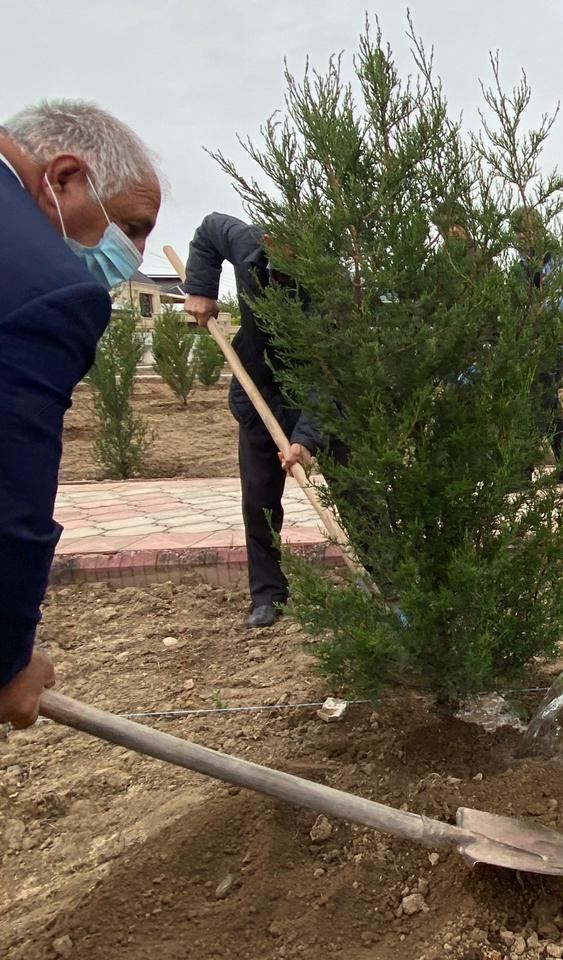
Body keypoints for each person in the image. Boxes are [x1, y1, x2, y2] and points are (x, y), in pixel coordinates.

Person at [0, 101, 161, 727]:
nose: (134, 252)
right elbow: (10, 504)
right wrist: (8, 660)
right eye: (132, 226)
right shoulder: (46, 288)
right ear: (65, 178)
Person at [183, 213, 329, 628]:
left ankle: (381, 582)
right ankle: (267, 595)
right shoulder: (247, 245)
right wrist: (200, 289)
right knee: (259, 501)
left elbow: (328, 378)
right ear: (269, 243)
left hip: (317, 395)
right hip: (258, 391)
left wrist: (306, 440)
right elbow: (208, 228)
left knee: (356, 494)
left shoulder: (327, 286)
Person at [513, 209, 563, 483]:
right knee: (546, 403)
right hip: (528, 345)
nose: (522, 236)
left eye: (526, 230)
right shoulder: (521, 264)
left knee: (538, 402)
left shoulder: (556, 260)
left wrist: (540, 310)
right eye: (518, 231)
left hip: (553, 343)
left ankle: (520, 471)